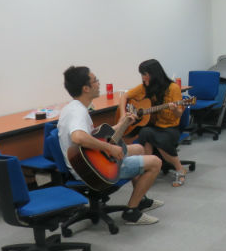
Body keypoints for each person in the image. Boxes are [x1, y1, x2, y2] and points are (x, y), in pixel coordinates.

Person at [58, 66, 163, 225]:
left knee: (139, 149)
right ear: (86, 88)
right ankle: (131, 212)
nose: (99, 83)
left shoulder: (73, 107)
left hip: (90, 161)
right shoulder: (77, 112)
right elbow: (78, 137)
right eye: (95, 81)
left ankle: (141, 200)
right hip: (92, 170)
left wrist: (123, 123)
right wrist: (110, 148)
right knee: (156, 162)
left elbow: (93, 137)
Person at [120, 59, 188, 187]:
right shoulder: (145, 87)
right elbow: (124, 96)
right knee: (145, 132)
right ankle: (147, 168)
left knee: (155, 137)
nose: (142, 77)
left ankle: (180, 169)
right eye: (141, 74)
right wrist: (123, 114)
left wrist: (174, 109)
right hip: (153, 126)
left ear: (154, 74)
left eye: (144, 74)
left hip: (171, 129)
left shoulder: (173, 88)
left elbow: (179, 114)